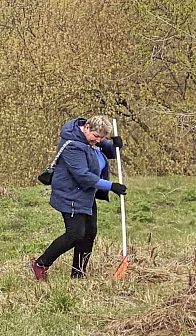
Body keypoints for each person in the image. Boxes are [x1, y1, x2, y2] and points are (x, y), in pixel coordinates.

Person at [29, 116, 126, 280]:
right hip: (70, 194)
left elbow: (108, 153)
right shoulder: (72, 145)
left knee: (89, 233)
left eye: (102, 138)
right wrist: (111, 186)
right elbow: (83, 175)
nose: (98, 140)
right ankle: (40, 264)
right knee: (75, 234)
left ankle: (78, 274)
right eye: (96, 136)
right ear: (86, 127)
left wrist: (116, 145)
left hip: (87, 194)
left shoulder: (92, 141)